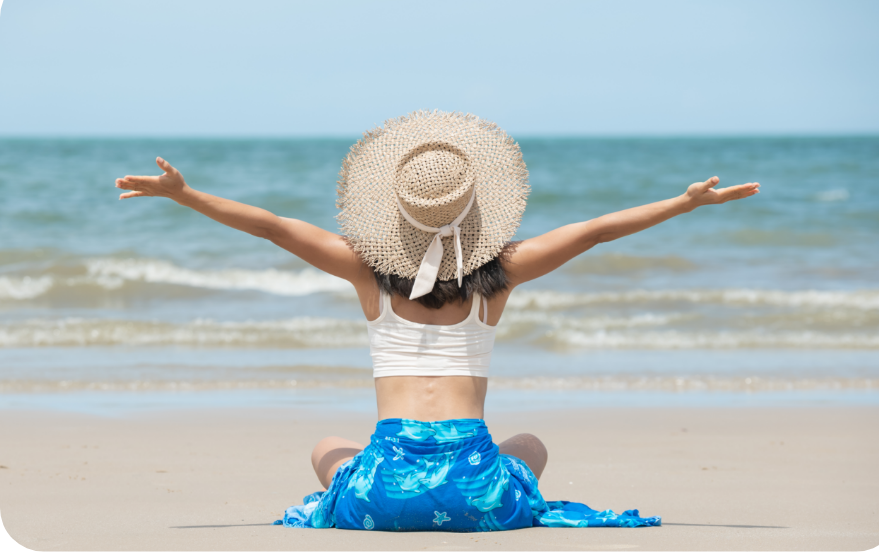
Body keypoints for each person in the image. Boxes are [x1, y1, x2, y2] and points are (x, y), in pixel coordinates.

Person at [115, 110, 760, 532]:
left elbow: (275, 227)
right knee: (531, 446)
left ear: (393, 216)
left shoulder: (366, 272)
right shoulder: (499, 276)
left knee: (323, 448)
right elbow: (591, 232)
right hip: (475, 489)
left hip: (381, 493)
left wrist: (185, 195)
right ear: (477, 209)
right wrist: (684, 202)